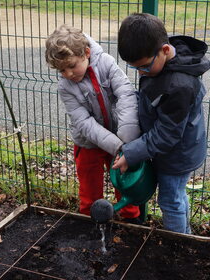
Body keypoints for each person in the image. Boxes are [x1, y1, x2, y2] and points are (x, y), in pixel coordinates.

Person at [112, 13, 210, 233]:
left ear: (165, 50)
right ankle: (186, 235)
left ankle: (177, 244)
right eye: (135, 68)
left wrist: (132, 152)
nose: (141, 72)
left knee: (170, 200)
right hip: (172, 150)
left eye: (144, 67)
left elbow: (167, 134)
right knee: (176, 195)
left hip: (178, 154)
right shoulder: (159, 58)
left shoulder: (179, 85)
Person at [45, 25, 141, 222]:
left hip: (120, 137)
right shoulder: (65, 86)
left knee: (126, 183)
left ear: (86, 53)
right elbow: (83, 122)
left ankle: (132, 222)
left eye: (72, 66)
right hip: (88, 143)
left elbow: (126, 95)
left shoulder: (106, 63)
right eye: (62, 70)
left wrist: (127, 140)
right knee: (89, 190)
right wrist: (117, 145)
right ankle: (91, 224)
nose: (68, 74)